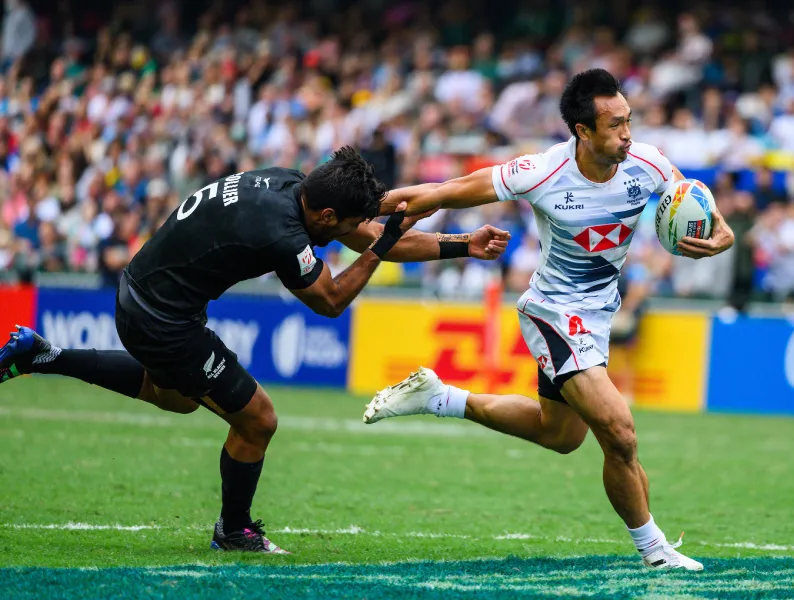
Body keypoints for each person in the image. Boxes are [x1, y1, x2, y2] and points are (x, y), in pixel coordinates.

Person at [0, 147, 511, 553]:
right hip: (161, 319)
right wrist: (378, 246)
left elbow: (381, 225)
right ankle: (235, 529)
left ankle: (43, 354)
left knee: (174, 396)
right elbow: (331, 300)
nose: (353, 233)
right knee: (258, 420)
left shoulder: (293, 183)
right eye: (346, 226)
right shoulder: (281, 233)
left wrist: (464, 243)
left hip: (147, 293)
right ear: (328, 214)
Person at [361, 69, 734, 571]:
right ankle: (655, 551)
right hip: (554, 314)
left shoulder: (647, 163)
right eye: (615, 125)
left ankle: (438, 397)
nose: (628, 134)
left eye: (629, 121)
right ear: (582, 131)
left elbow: (703, 206)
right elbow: (447, 191)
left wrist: (720, 237)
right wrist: (352, 206)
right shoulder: (540, 171)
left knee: (560, 435)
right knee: (619, 432)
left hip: (599, 315)